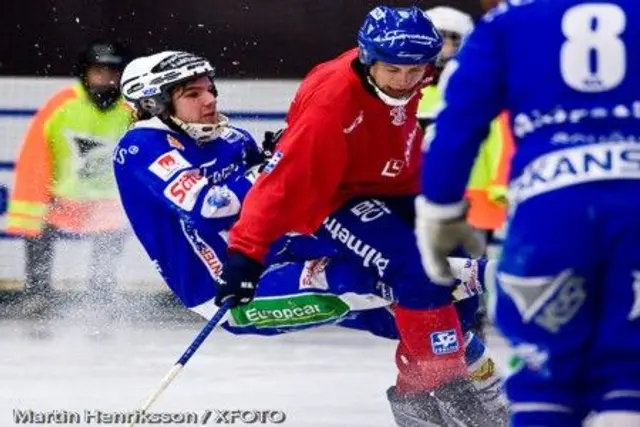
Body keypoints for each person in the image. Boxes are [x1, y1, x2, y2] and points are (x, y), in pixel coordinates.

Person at [114, 48, 507, 426]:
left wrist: (288, 164)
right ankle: (489, 280)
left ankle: (443, 402)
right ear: (154, 104)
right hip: (228, 293)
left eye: (209, 88)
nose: (209, 99)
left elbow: (274, 200)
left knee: (432, 313)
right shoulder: (139, 145)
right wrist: (276, 167)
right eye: (192, 94)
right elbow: (209, 206)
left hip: (280, 256)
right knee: (379, 279)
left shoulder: (232, 137)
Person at [215, 6, 508, 426]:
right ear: (368, 58)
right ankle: (447, 388)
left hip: (397, 186)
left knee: (457, 263)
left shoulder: (408, 69)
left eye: (417, 70)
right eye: (393, 70)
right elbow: (277, 185)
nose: (406, 82)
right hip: (337, 199)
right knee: (418, 269)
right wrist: (245, 256)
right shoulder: (331, 106)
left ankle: (418, 395)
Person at [415, 1, 640, 426]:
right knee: (632, 371)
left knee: (545, 377)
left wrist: (438, 211)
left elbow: (458, 124)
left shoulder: (507, 25)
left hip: (551, 213)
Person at [5, 40, 132, 316]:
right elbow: (35, 156)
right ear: (84, 73)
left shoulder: (132, 110)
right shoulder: (62, 105)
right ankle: (38, 294)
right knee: (39, 233)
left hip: (110, 203)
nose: (106, 78)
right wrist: (38, 200)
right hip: (65, 199)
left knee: (111, 239)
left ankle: (100, 299)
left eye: (113, 72)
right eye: (99, 71)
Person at [418, 6, 512, 242]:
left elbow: (503, 139)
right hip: (416, 195)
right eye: (439, 38)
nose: (445, 47)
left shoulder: (478, 90)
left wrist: (501, 187)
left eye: (454, 39)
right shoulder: (403, 90)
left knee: (472, 273)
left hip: (476, 201)